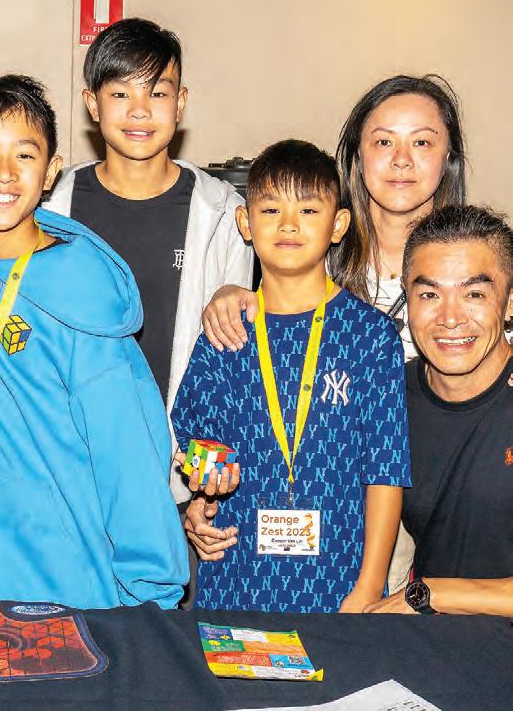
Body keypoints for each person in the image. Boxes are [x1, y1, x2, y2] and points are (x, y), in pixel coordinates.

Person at [195, 75, 467, 592]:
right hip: (329, 507)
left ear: (448, 156)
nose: (401, 160)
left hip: (441, 488)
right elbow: (218, 424)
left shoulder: (472, 259)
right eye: (383, 141)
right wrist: (205, 493)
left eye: (422, 142)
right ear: (357, 156)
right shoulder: (319, 256)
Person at [0, 74, 188, 610]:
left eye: (25, 155)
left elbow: (128, 452)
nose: (4, 172)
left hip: (72, 582)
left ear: (51, 171)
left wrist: (152, 597)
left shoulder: (82, 293)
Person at [172, 140, 411, 612]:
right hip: (238, 578)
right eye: (270, 209)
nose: (288, 224)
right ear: (245, 223)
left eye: (308, 210)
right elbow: (194, 439)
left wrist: (369, 587)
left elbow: (386, 472)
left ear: (338, 225)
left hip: (340, 580)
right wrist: (203, 495)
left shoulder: (371, 336)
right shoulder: (224, 333)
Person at [46, 18, 252, 503]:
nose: (139, 110)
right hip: (73, 473)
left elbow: (232, 364)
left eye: (157, 93)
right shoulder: (52, 207)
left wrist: (207, 492)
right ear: (92, 104)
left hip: (179, 480)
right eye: (121, 93)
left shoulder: (221, 212)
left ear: (180, 103)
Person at [364, 205, 513, 618]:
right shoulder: (387, 397)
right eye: (429, 294)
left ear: (509, 301)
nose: (449, 318)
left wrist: (433, 594)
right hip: (433, 642)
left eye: (474, 294)